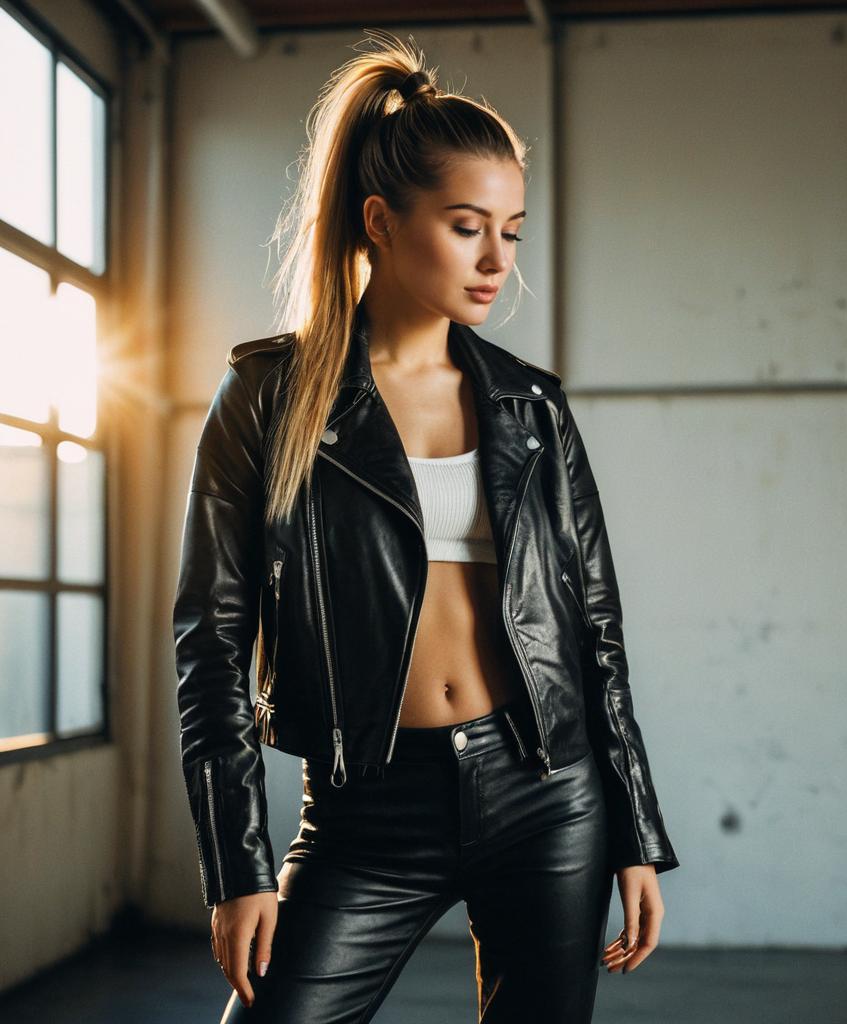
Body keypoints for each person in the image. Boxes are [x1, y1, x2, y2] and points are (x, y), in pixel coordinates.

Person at [172, 29, 678, 1024]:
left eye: (511, 230)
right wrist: (235, 867)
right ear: (381, 221)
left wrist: (632, 831)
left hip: (546, 792)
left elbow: (596, 635)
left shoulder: (532, 407)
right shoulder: (271, 395)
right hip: (367, 808)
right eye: (464, 225)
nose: (497, 260)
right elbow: (212, 643)